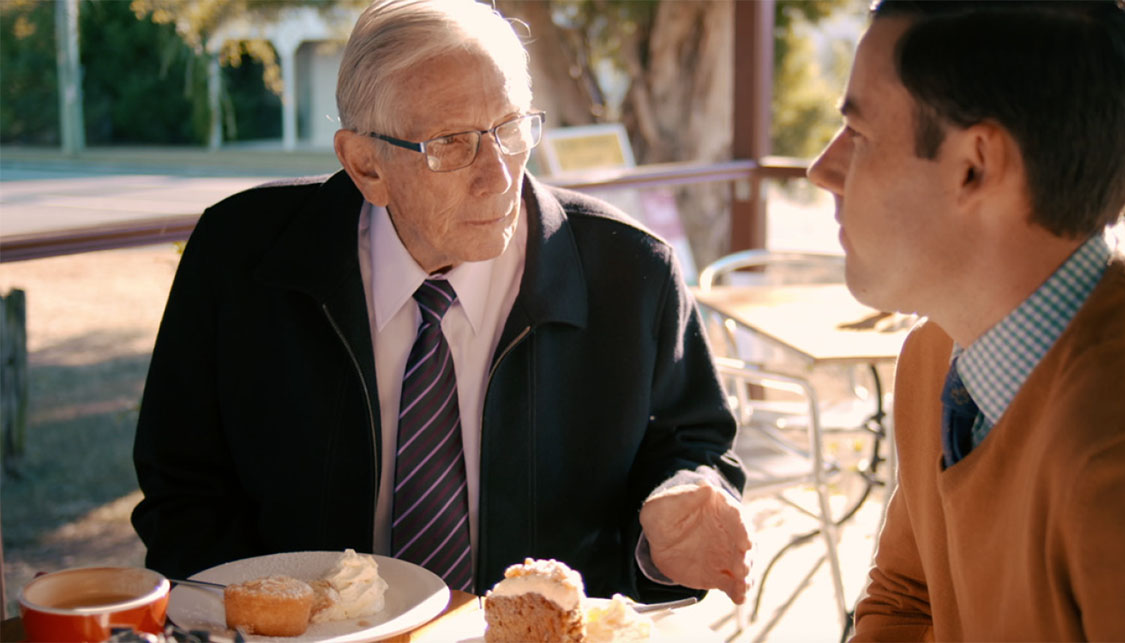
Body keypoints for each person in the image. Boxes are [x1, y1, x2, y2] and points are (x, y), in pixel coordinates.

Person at [132, 0, 751, 605]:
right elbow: (182, 487)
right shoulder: (237, 256)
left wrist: (676, 516)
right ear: (365, 165)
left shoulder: (633, 270)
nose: (500, 176)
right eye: (452, 143)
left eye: (511, 127)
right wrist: (258, 617)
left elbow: (694, 446)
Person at [806, 0, 1125, 640]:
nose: (821, 169)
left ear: (975, 165)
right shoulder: (939, 351)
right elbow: (907, 600)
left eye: (859, 135)